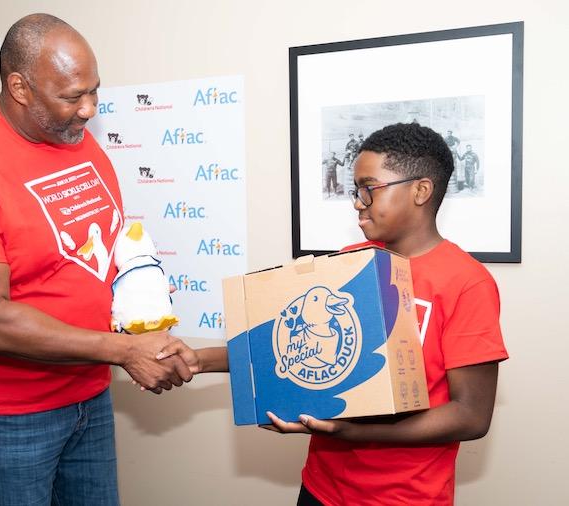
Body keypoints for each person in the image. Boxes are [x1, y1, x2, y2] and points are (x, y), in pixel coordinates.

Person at [0, 13, 194, 506]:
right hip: (5, 416)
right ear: (19, 86)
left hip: (87, 391)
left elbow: (93, 256)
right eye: (72, 96)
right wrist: (123, 352)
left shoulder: (76, 141)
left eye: (94, 91)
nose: (89, 109)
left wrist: (142, 315)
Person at [161, 122, 508, 505]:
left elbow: (471, 416)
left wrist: (352, 433)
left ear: (420, 191)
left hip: (405, 497)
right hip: (321, 489)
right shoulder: (350, 262)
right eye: (355, 190)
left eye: (368, 189)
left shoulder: (466, 283)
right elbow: (286, 344)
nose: (358, 202)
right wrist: (200, 360)